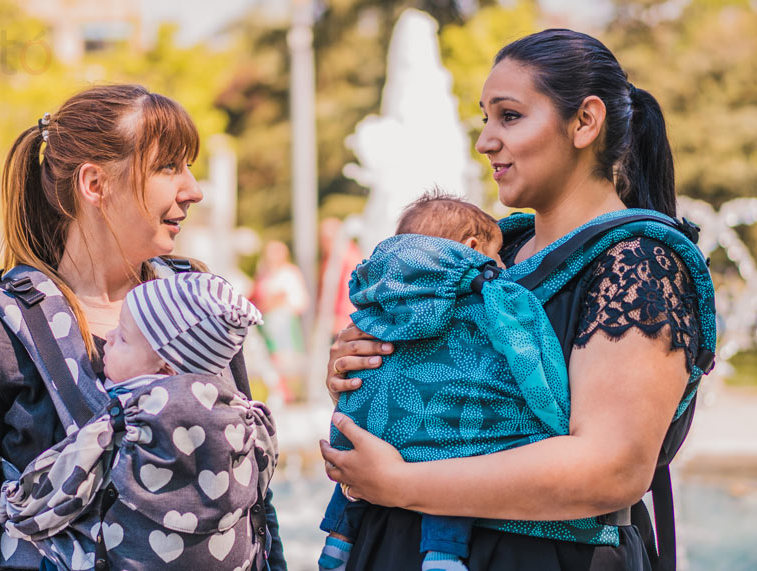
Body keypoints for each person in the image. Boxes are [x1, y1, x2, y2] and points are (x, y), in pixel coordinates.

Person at [320, 29, 714, 570]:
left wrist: (401, 482)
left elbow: (612, 468)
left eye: (509, 116)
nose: (484, 141)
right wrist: (360, 370)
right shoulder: (483, 248)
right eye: (485, 118)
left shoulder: (638, 263)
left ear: (585, 122)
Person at [0, 84, 287, 570]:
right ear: (95, 184)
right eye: (169, 166)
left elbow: (255, 503)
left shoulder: (199, 298)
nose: (194, 189)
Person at [319, 191, 567, 571]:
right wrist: (553, 412)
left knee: (373, 459)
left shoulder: (382, 288)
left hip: (373, 431)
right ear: (472, 246)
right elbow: (526, 348)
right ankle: (443, 554)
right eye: (497, 256)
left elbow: (359, 349)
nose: (501, 266)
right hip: (445, 430)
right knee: (456, 451)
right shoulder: (490, 291)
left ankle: (338, 538)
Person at [0, 273, 276, 569]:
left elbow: (67, 482)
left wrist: (16, 502)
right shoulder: (244, 417)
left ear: (166, 368)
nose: (110, 337)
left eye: (124, 337)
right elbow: (261, 490)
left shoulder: (127, 417)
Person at [251, 240, 309, 402]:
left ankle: (288, 394)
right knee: (268, 359)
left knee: (284, 359)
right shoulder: (264, 273)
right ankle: (277, 392)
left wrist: (278, 302)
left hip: (283, 323)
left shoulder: (289, 273)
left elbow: (300, 301)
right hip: (266, 322)